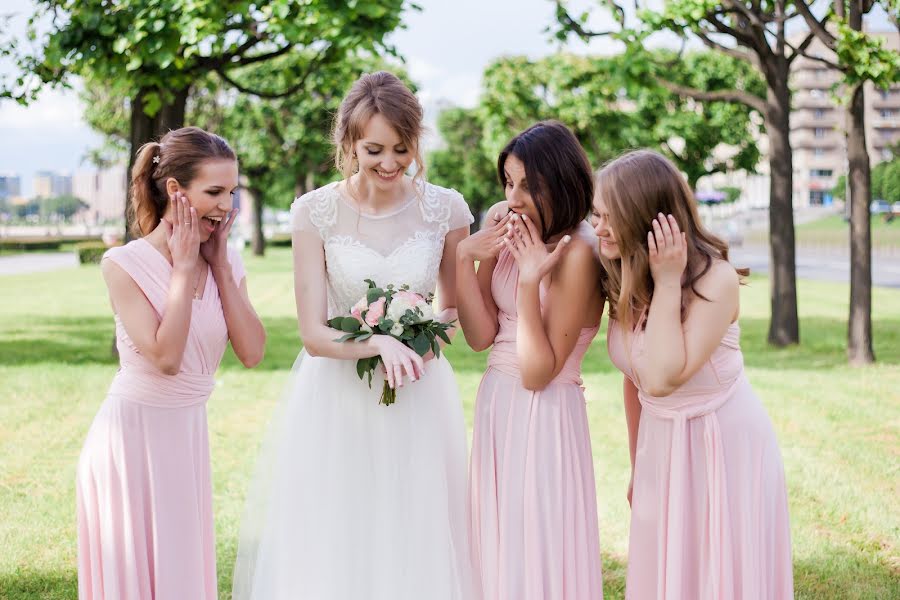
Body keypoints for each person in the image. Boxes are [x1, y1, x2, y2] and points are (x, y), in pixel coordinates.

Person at [232, 71, 475, 600]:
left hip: (419, 390)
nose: (390, 163)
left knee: (415, 520)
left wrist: (421, 341)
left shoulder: (447, 209)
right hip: (336, 395)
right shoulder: (313, 212)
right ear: (348, 143)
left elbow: (454, 305)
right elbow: (314, 333)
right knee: (341, 522)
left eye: (402, 149)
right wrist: (377, 343)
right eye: (374, 149)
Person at [77, 126, 266, 599]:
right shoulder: (123, 263)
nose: (227, 206)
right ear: (176, 190)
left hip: (185, 437)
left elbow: (252, 352)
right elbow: (164, 357)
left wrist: (219, 268)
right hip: (132, 442)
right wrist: (183, 268)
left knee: (180, 569)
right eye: (215, 192)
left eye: (232, 191)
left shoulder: (226, 261)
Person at [594, 149, 793, 599]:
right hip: (661, 444)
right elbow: (637, 380)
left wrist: (667, 282)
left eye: (609, 215)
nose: (598, 227)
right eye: (595, 213)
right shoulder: (624, 273)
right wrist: (637, 465)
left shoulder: (714, 280)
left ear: (647, 217)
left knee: (718, 571)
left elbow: (664, 376)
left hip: (722, 444)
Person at [458, 121, 605, 600]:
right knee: (495, 545)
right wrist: (466, 258)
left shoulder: (580, 251)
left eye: (527, 185)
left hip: (544, 416)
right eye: (508, 181)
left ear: (560, 184)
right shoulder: (508, 223)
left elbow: (540, 372)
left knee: (535, 547)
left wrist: (526, 280)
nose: (513, 197)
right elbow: (479, 336)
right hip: (497, 404)